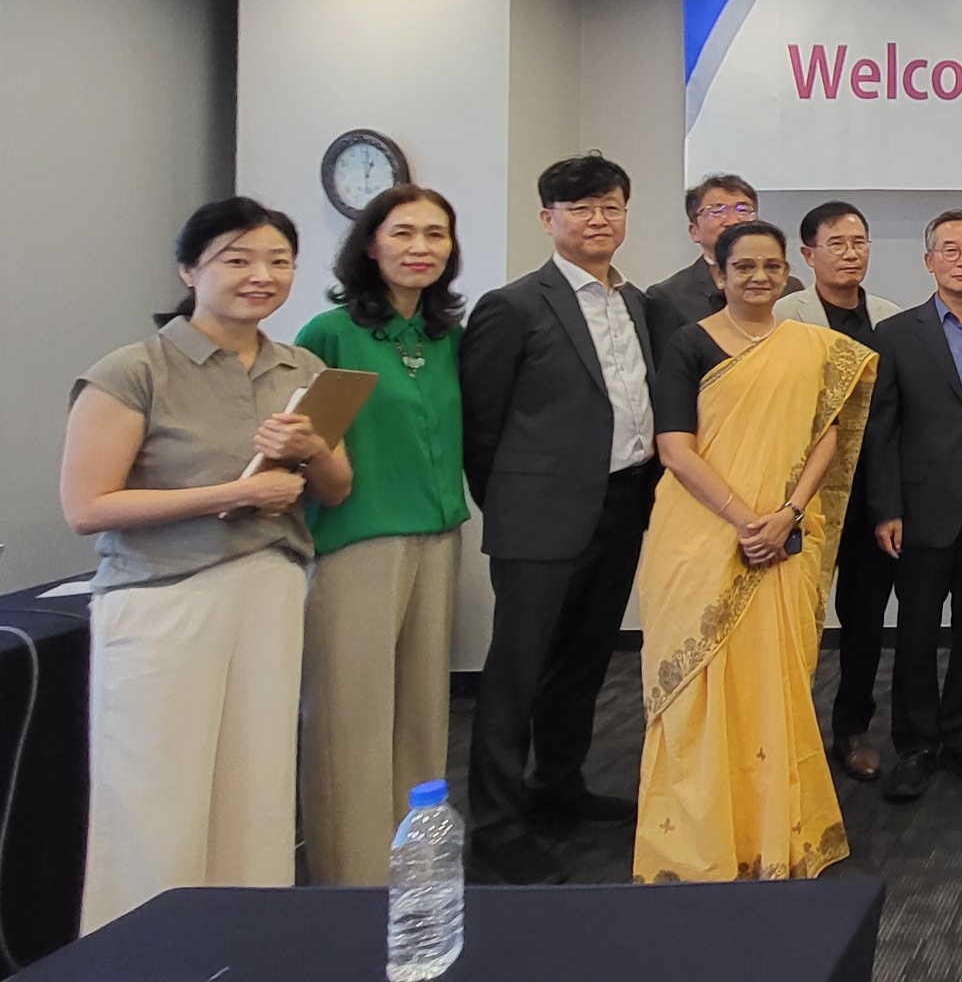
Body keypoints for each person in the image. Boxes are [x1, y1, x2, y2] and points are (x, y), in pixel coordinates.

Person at [60, 198, 351, 930]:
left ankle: (248, 940)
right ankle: (143, 947)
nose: (262, 275)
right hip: (164, 595)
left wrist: (311, 450)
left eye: (279, 261)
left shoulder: (303, 368)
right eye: (237, 259)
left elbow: (337, 488)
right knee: (155, 789)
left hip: (271, 586)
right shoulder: (134, 369)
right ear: (190, 270)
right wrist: (237, 492)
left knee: (256, 784)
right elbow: (88, 505)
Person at [632, 221, 875, 882]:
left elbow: (827, 434)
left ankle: (776, 834)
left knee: (774, 685)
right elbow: (674, 448)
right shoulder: (689, 344)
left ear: (787, 271)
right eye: (744, 267)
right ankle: (702, 840)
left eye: (771, 266)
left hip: (783, 533)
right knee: (700, 690)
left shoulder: (810, 346)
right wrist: (747, 521)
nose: (760, 277)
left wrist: (787, 513)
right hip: (703, 538)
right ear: (719, 273)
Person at [459, 154, 658, 885]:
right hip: (539, 518)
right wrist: (516, 505)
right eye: (579, 209)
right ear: (548, 219)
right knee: (517, 673)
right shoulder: (512, 306)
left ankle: (559, 786)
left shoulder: (637, 303)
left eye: (610, 206)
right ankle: (496, 828)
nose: (597, 220)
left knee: (584, 661)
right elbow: (481, 427)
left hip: (623, 503)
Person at [296, 185, 471, 886]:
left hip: (439, 532)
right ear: (370, 244)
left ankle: (416, 867)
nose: (420, 248)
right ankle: (353, 878)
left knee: (423, 713)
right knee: (352, 718)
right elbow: (304, 449)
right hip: (358, 539)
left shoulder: (444, 336)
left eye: (435, 234)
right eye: (403, 233)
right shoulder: (329, 334)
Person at [865, 210, 962, 803]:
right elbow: (882, 430)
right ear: (929, 260)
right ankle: (915, 745)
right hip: (919, 508)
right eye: (950, 250)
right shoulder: (896, 334)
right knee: (916, 631)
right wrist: (886, 508)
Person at [775, 202, 902, 782]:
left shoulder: (890, 320)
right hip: (799, 496)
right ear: (808, 254)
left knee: (864, 617)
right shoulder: (784, 316)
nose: (851, 254)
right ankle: (784, 734)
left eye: (860, 242)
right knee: (793, 618)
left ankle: (852, 729)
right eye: (837, 244)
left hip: (871, 496)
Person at [645, 173, 802, 341]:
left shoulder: (789, 288)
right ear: (694, 231)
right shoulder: (668, 297)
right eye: (716, 211)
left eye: (743, 210)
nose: (732, 221)